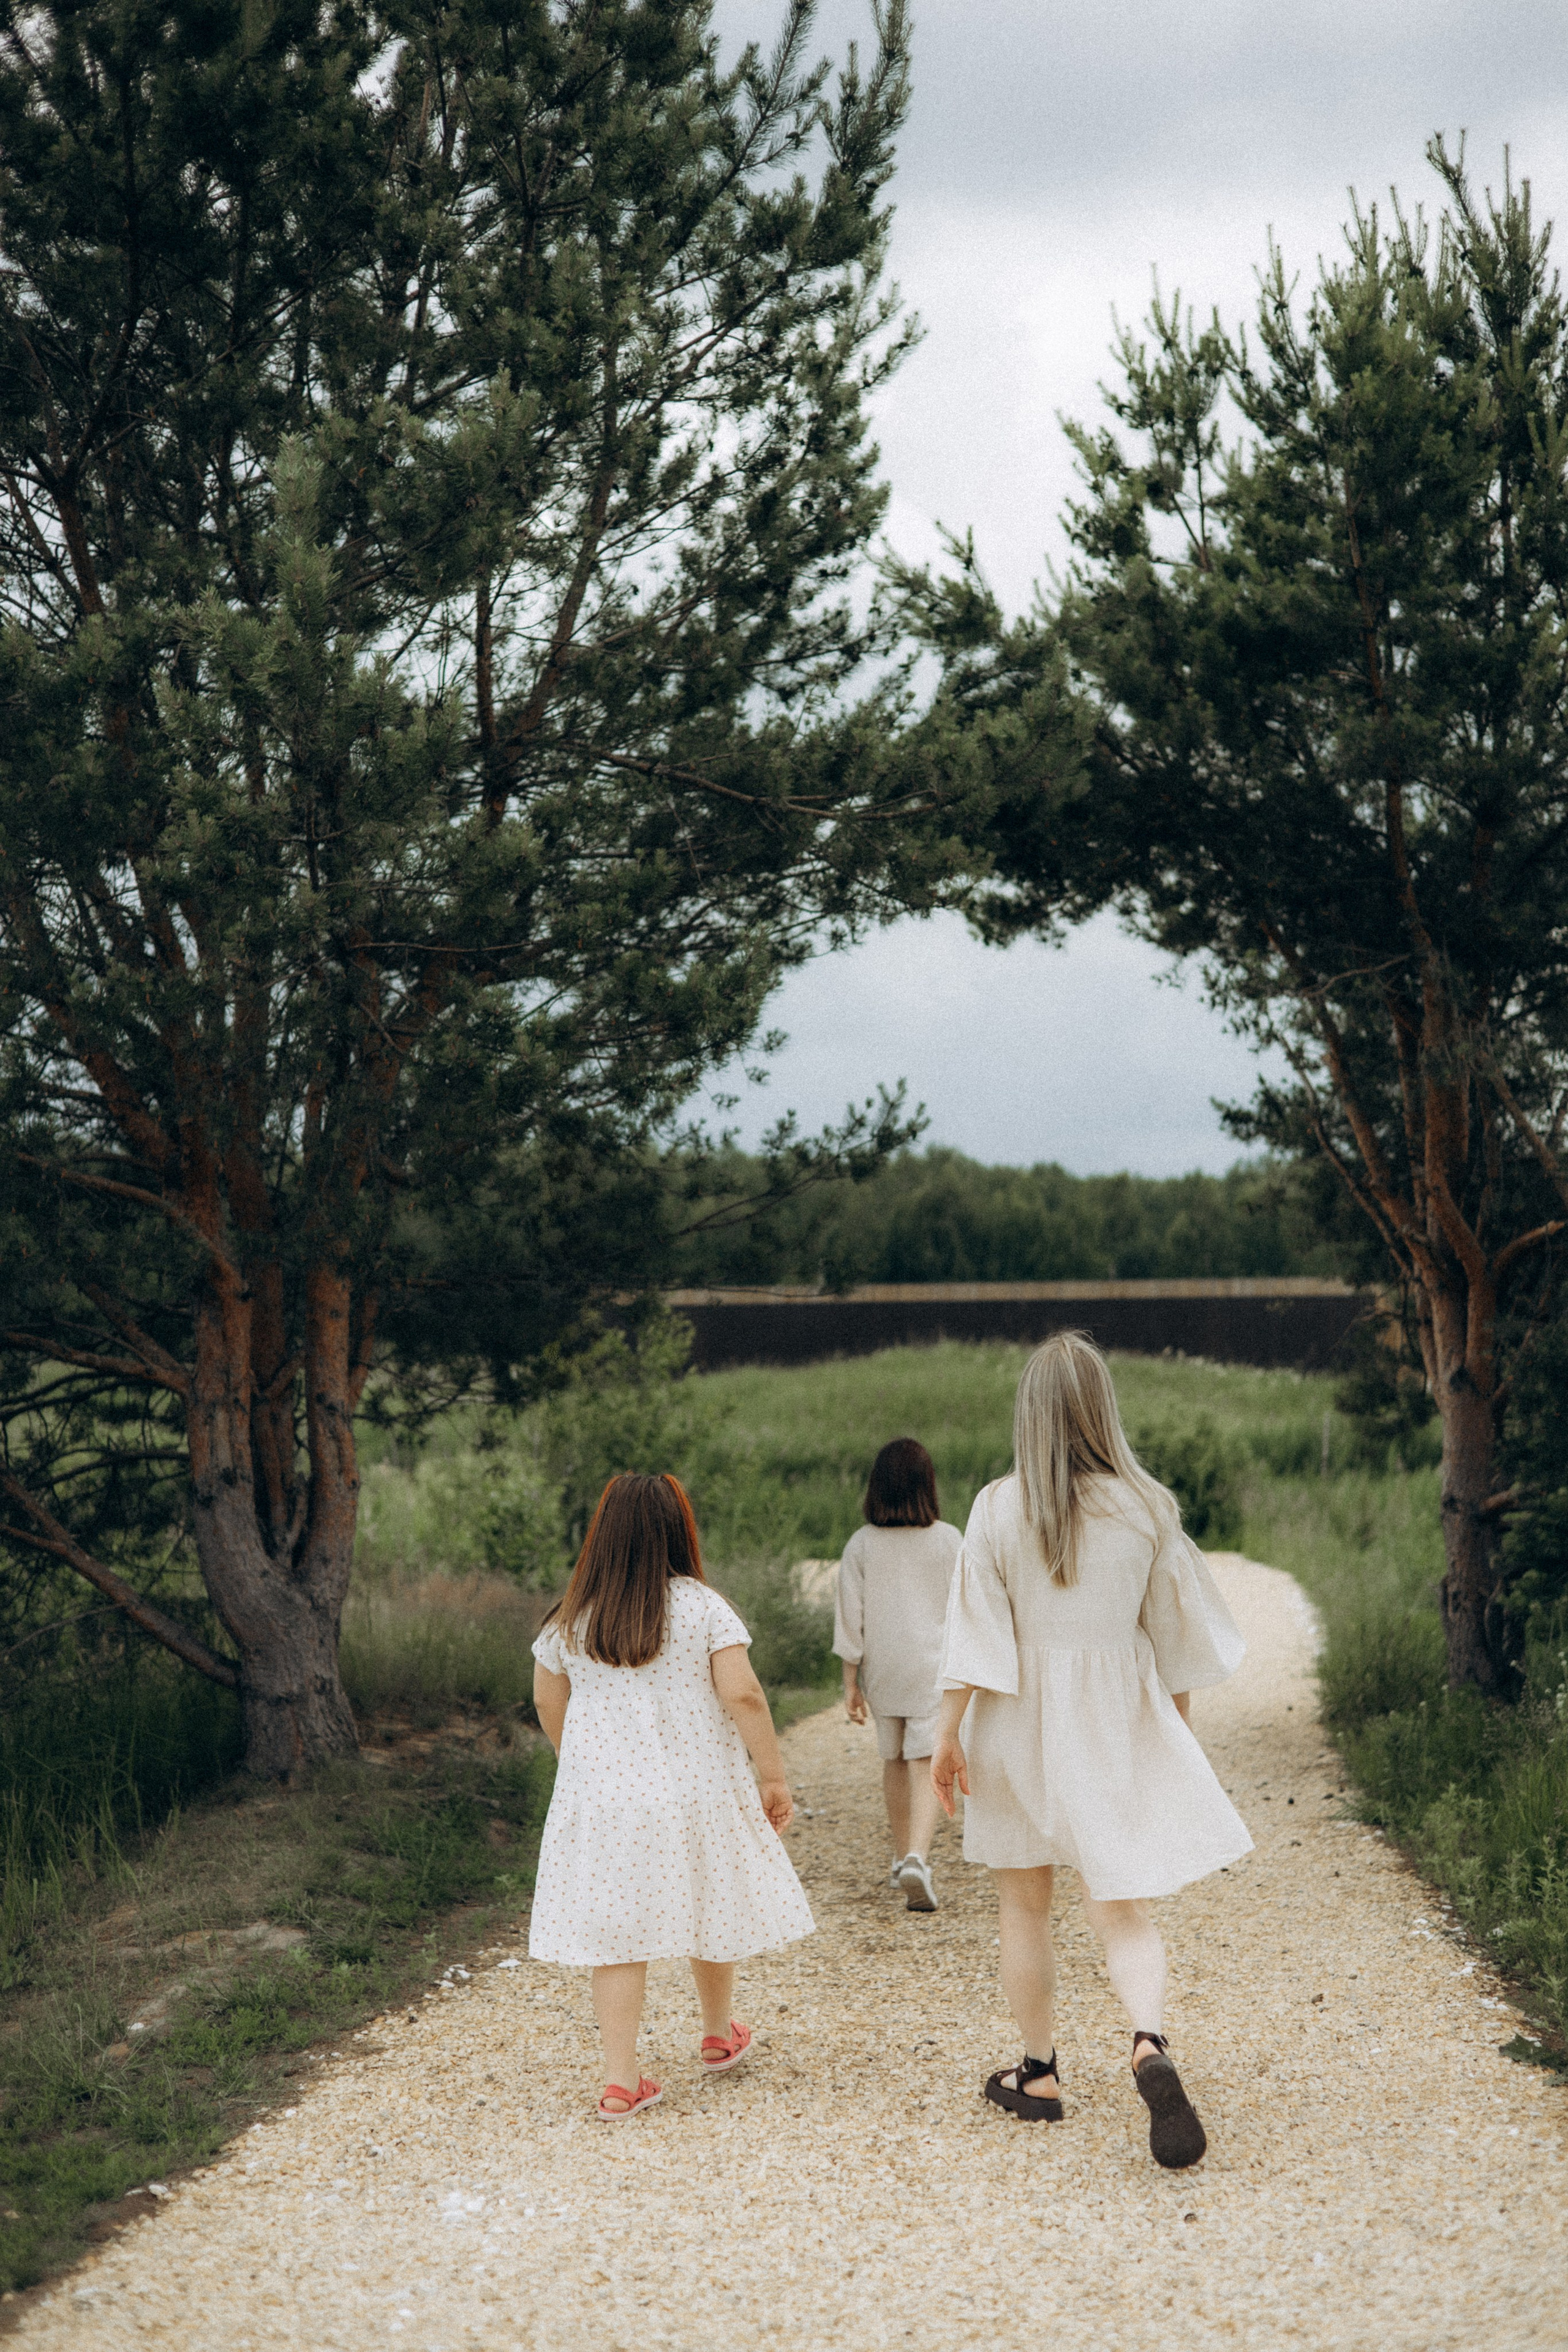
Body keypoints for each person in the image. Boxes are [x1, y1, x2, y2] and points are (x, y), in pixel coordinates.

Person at [930, 1332, 1251, 2169]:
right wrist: (1171, 1736)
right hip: (1112, 1724)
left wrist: (943, 1734)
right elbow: (1177, 1644)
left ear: (1029, 1413)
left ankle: (1037, 2074)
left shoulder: (998, 1508)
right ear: (1103, 1405)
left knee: (1024, 1907)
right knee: (1122, 1908)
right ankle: (1148, 2044)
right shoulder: (1149, 1509)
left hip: (1012, 1724)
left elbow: (973, 1638)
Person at [530, 1472, 813, 2119]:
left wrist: (579, 1764)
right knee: (710, 1901)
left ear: (602, 1536)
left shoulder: (572, 1617)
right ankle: (717, 2035)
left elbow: (549, 1699)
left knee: (618, 1935)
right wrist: (772, 1775)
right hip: (698, 1789)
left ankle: (620, 2081)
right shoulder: (703, 1607)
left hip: (605, 1797)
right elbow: (743, 1694)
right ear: (677, 1530)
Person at [835, 1437, 963, 1912]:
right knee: (925, 1757)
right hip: (932, 1666)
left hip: (883, 1667)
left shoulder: (862, 1544)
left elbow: (851, 1615)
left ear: (876, 1488)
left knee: (891, 1755)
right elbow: (965, 1607)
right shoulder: (949, 1540)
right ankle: (918, 1857)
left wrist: (850, 1681)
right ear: (927, 1485)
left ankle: (899, 1853)